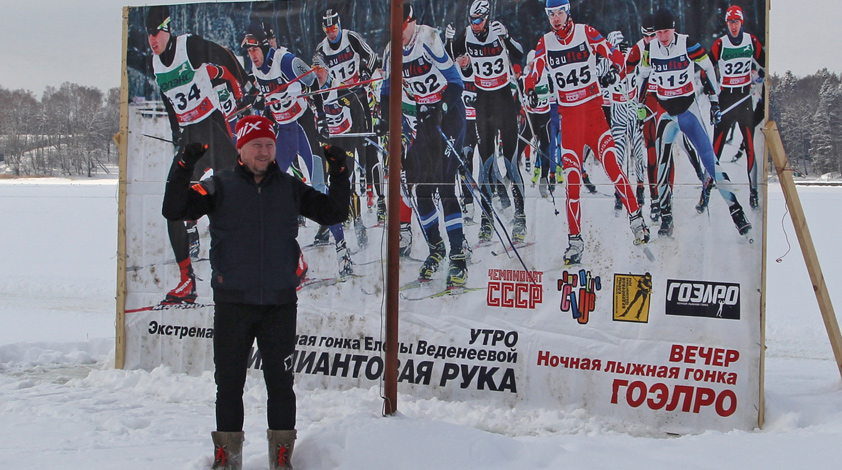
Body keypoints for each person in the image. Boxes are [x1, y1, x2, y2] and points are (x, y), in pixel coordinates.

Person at [162, 115, 351, 470]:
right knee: (229, 385)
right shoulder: (219, 186)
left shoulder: (290, 187)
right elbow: (173, 208)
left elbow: (333, 212)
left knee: (281, 386)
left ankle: (281, 458)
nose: (264, 152)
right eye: (256, 145)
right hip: (233, 304)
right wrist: (183, 165)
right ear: (241, 149)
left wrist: (339, 173)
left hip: (279, 305)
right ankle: (227, 458)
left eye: (269, 145)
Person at [525, 0, 649, 265]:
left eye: (559, 12)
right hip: (570, 119)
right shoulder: (545, 42)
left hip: (593, 115)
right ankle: (575, 241)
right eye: (551, 14)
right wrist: (531, 90)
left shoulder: (585, 32)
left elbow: (615, 55)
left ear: (568, 11)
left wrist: (614, 73)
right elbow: (533, 71)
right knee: (571, 183)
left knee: (612, 167)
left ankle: (637, 218)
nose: (555, 19)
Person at [146, 5, 250, 304]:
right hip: (190, 138)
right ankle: (186, 281)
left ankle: (291, 262)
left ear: (167, 29)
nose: (153, 40)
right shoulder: (156, 63)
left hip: (212, 130)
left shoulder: (187, 45)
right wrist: (175, 132)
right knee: (173, 207)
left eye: (157, 33)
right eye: (149, 35)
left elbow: (225, 56)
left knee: (250, 199)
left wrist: (244, 85)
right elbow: (169, 102)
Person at [637, 9, 751, 238]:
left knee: (711, 162)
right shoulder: (651, 49)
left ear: (674, 28)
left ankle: (737, 212)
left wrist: (714, 101)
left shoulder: (687, 43)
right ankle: (666, 217)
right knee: (662, 165)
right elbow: (642, 75)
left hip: (689, 111)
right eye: (659, 32)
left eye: (666, 31)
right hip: (666, 114)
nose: (663, 36)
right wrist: (639, 104)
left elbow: (707, 67)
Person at [381, 3, 469, 288]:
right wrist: (385, 119)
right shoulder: (390, 51)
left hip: (450, 116)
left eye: (402, 26)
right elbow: (385, 92)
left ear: (412, 22)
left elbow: (457, 83)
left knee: (444, 184)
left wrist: (441, 107)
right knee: (421, 190)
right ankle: (437, 248)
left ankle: (458, 255)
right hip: (426, 121)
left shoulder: (428, 38)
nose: (398, 32)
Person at [448, 0, 528, 244]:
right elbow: (450, 57)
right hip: (483, 101)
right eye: (471, 21)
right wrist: (449, 40)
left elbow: (520, 52)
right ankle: (487, 219)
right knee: (484, 163)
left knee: (510, 162)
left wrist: (508, 36)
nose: (475, 26)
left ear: (486, 17)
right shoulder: (466, 35)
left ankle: (520, 216)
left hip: (504, 99)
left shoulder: (497, 30)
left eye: (478, 21)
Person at [313, 9, 385, 225]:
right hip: (338, 99)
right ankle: (349, 204)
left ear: (339, 25)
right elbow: (318, 76)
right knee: (343, 150)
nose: (332, 33)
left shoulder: (351, 38)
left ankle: (380, 199)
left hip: (359, 93)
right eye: (327, 29)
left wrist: (365, 72)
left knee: (369, 146)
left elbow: (372, 57)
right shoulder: (321, 48)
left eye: (334, 28)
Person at [709, 5, 765, 209]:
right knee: (715, 149)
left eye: (737, 22)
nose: (734, 26)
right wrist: (711, 92)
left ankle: (753, 193)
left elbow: (765, 62)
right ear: (727, 24)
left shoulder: (751, 41)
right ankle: (705, 192)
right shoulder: (720, 44)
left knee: (750, 146)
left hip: (743, 99)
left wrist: (760, 75)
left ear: (742, 22)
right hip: (726, 100)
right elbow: (706, 67)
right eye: (730, 22)